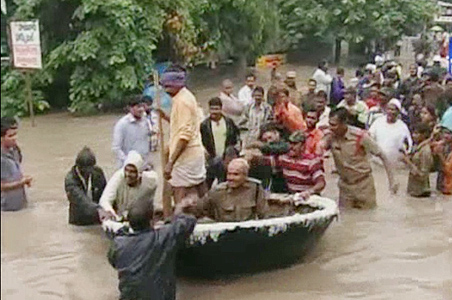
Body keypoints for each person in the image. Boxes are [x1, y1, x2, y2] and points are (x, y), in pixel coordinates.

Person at [108, 193, 197, 300]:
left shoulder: (118, 243)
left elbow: (113, 260)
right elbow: (189, 221)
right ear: (152, 221)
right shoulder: (163, 237)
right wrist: (179, 209)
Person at [323, 108, 398, 209]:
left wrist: (392, 181)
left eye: (334, 125)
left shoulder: (360, 136)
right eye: (330, 124)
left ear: (344, 122)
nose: (331, 128)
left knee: (368, 218)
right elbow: (318, 151)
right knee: (346, 219)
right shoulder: (330, 137)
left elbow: (383, 156)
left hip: (364, 186)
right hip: (345, 187)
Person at [159, 66, 207, 204]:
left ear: (176, 85)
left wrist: (171, 162)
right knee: (200, 187)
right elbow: (185, 124)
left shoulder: (183, 101)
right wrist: (166, 117)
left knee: (179, 190)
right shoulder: (185, 97)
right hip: (194, 152)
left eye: (168, 87)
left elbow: (185, 135)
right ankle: (210, 213)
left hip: (186, 155)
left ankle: (179, 219)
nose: (165, 90)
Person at [197, 158, 268, 222]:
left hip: (247, 232)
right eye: (229, 174)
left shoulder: (255, 189)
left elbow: (264, 215)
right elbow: (200, 211)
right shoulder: (217, 192)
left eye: (235, 174)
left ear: (245, 175)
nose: (231, 178)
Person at [263, 131, 326, 198]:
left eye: (295, 144)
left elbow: (321, 183)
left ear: (302, 146)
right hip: (293, 197)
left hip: (309, 198)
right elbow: (265, 162)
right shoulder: (284, 159)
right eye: (290, 143)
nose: (291, 147)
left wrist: (309, 192)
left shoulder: (312, 161)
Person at [100, 151, 157, 220]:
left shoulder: (150, 182)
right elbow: (105, 200)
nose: (128, 174)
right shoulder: (118, 177)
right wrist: (112, 214)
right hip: (118, 217)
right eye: (126, 170)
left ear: (139, 173)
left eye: (132, 171)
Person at [64, 147, 107, 225]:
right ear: (78, 166)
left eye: (91, 168)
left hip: (98, 219)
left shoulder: (98, 172)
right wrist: (98, 209)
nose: (89, 172)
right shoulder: (70, 180)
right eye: (85, 169)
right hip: (79, 222)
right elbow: (81, 200)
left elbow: (106, 193)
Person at [369, 99, 413, 167]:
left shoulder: (402, 127)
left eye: (393, 110)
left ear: (398, 112)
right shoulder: (378, 122)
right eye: (388, 109)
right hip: (377, 164)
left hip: (394, 165)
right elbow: (370, 137)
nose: (390, 112)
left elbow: (408, 146)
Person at [112, 96, 152, 168]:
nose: (141, 109)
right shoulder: (122, 124)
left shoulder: (146, 121)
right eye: (138, 107)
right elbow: (116, 148)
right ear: (130, 108)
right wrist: (128, 162)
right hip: (127, 167)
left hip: (144, 165)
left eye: (143, 107)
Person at [1, 117, 32, 211]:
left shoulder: (15, 150)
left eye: (15, 134)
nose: (15, 138)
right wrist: (21, 182)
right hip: (5, 208)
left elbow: (16, 170)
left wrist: (22, 179)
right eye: (10, 136)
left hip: (19, 202)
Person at [200, 97, 240, 161]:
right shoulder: (204, 125)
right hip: (211, 159)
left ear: (221, 109)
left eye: (216, 109)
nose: (214, 112)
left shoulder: (229, 122)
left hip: (228, 158)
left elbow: (237, 137)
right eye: (212, 109)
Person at [401, 123, 434, 197]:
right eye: (413, 133)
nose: (413, 135)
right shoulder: (417, 147)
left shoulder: (425, 151)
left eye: (416, 133)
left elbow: (423, 175)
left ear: (424, 134)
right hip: (414, 190)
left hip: (421, 192)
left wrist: (408, 162)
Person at [432, 126, 452, 195]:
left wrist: (440, 155)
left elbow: (448, 169)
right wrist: (433, 135)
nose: (446, 136)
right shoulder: (442, 144)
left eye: (449, 133)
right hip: (441, 178)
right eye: (445, 133)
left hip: (449, 185)